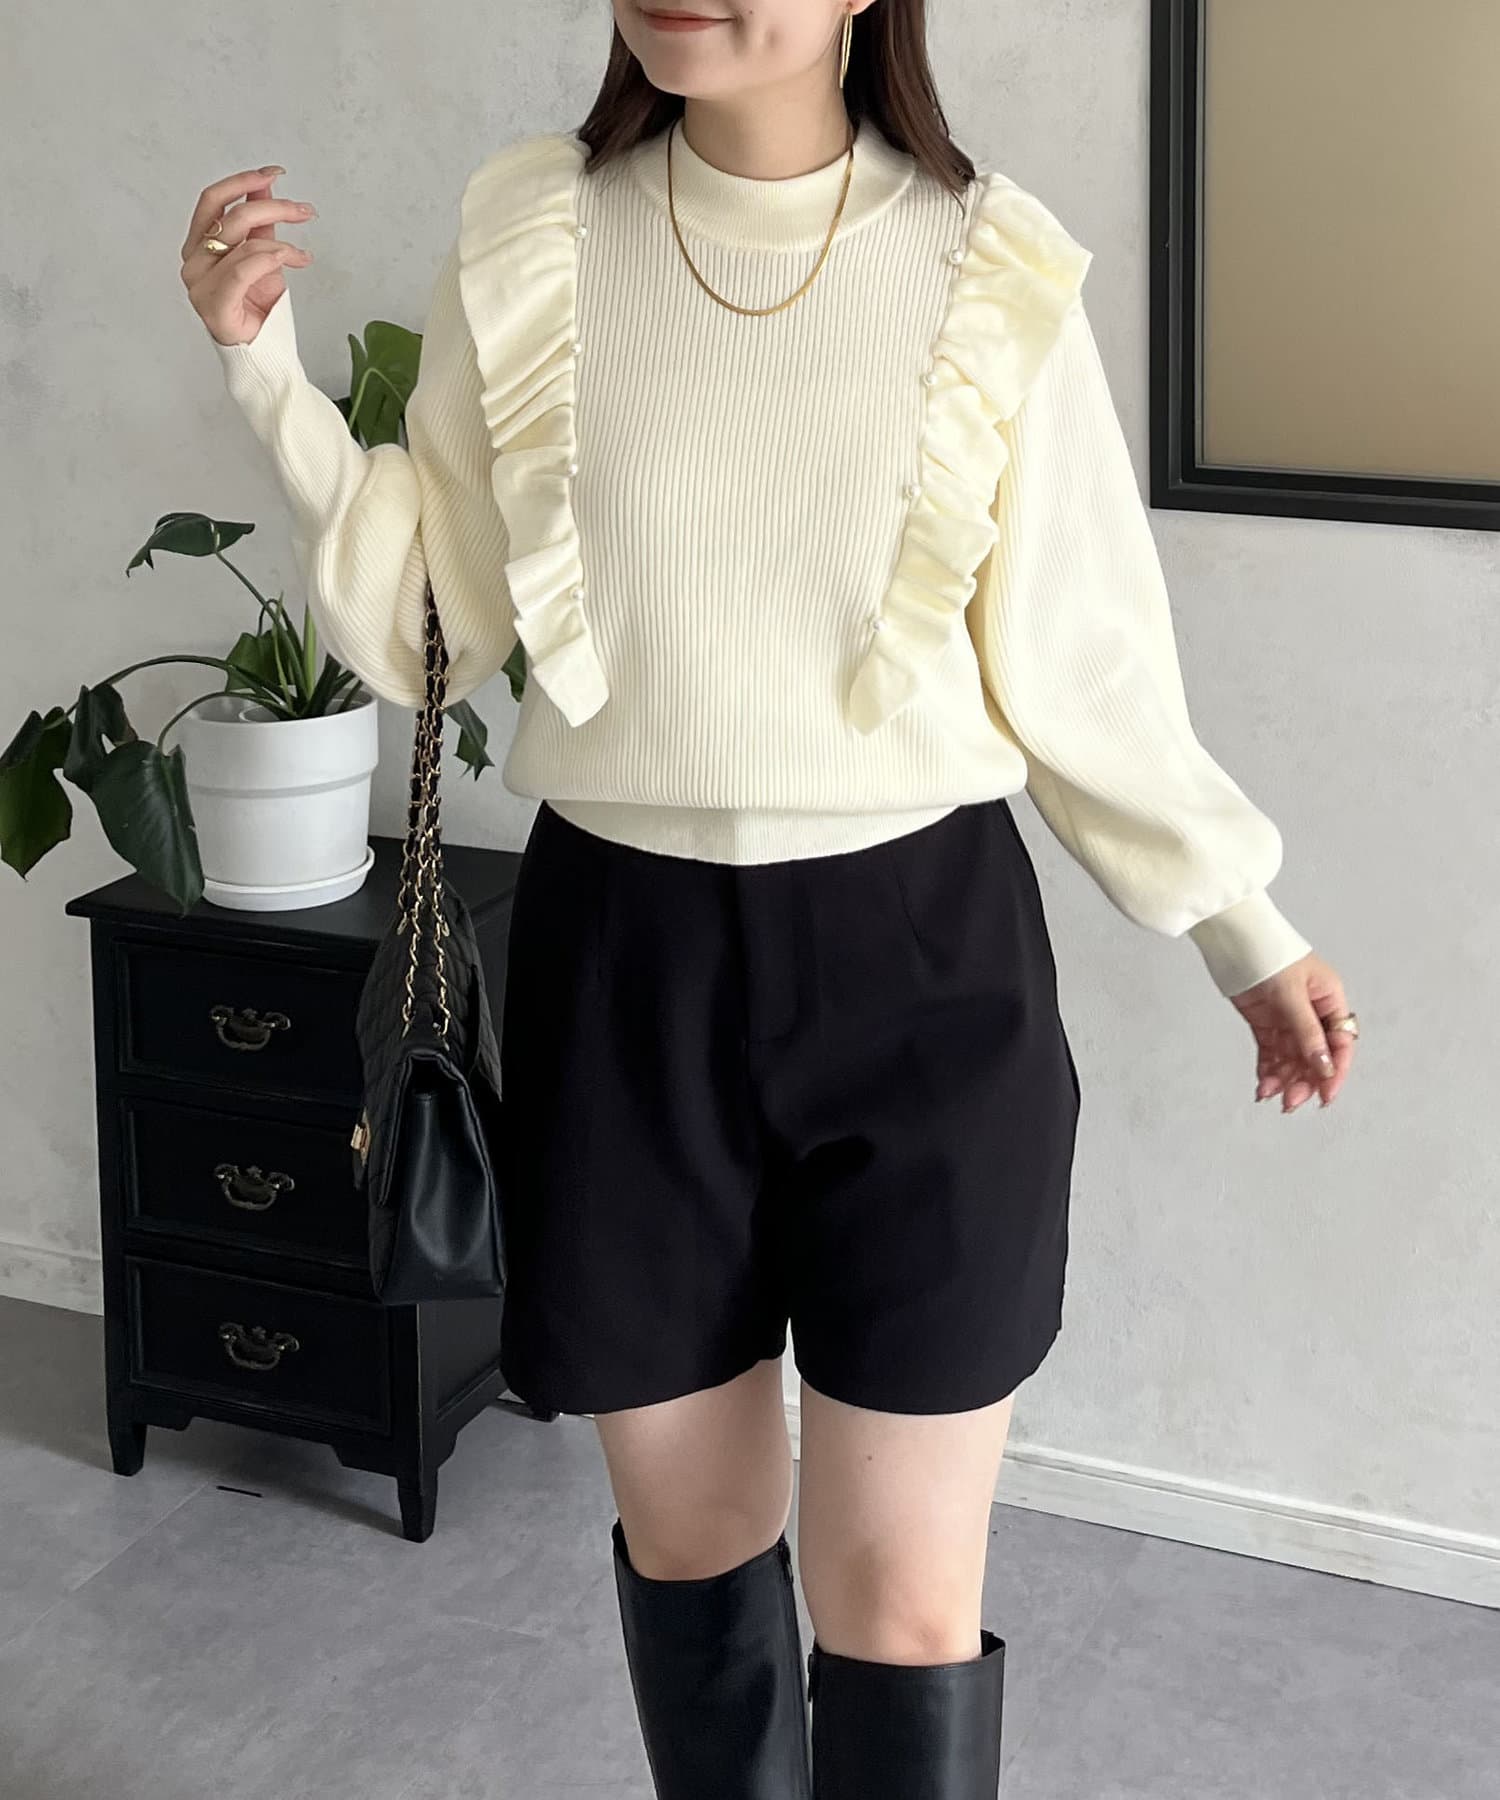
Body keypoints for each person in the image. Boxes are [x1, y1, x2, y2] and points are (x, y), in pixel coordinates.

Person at [181, 3, 1360, 1794]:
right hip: (624, 966)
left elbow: (1086, 662)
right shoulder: (532, 233)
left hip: (925, 968)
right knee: (695, 1547)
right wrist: (264, 370)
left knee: (899, 1598)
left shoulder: (988, 264)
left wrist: (1242, 926)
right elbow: (442, 624)